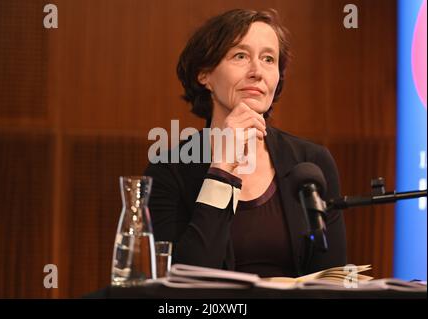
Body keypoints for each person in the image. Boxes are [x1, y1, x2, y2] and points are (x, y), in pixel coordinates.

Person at [144, 8, 346, 277]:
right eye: (240, 56)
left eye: (268, 59)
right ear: (204, 75)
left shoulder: (311, 162)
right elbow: (182, 282)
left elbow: (331, 278)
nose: (257, 72)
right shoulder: (169, 169)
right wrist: (222, 169)